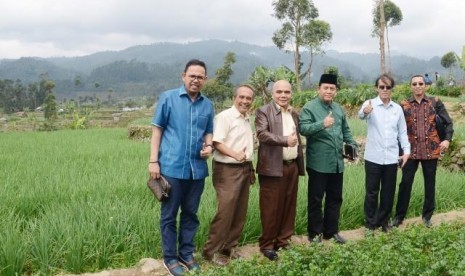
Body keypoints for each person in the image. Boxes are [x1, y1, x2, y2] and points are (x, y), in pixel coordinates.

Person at [148, 59, 214, 276]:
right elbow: (157, 131)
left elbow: (208, 132)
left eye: (200, 77)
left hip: (197, 170)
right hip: (171, 168)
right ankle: (169, 258)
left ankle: (186, 254)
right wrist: (153, 161)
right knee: (169, 215)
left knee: (191, 214)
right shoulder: (168, 98)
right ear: (183, 76)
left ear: (205, 79)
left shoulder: (208, 105)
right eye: (192, 75)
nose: (196, 80)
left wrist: (209, 146)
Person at [299, 73, 357, 244]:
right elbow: (303, 128)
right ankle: (315, 234)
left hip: (337, 163)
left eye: (332, 89)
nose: (329, 91)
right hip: (318, 163)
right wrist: (321, 124)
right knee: (316, 199)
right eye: (326, 88)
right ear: (319, 89)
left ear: (336, 91)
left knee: (335, 198)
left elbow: (345, 131)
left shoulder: (339, 109)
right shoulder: (309, 108)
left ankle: (331, 232)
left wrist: (352, 148)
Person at [391, 74, 454, 228]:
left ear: (425, 86)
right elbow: (396, 128)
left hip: (431, 150)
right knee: (405, 184)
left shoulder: (435, 102)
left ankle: (427, 217)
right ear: (410, 86)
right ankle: (399, 218)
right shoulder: (403, 104)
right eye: (415, 84)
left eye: (421, 83)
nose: (418, 86)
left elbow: (448, 122)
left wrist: (446, 139)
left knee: (429, 184)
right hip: (409, 152)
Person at [202, 85, 255, 266]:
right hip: (227, 169)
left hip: (244, 168)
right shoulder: (225, 117)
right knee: (225, 212)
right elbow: (217, 142)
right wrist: (235, 154)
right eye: (242, 97)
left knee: (239, 212)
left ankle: (229, 248)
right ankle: (211, 251)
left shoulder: (246, 118)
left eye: (249, 98)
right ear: (234, 97)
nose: (245, 101)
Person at [255, 80, 305, 261]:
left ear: (291, 94)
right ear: (272, 94)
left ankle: (283, 241)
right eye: (279, 92)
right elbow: (261, 134)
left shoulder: (294, 113)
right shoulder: (263, 111)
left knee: (289, 205)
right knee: (270, 207)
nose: (283, 95)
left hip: (291, 165)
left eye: (287, 92)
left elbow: (297, 138)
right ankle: (267, 244)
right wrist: (284, 140)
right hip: (272, 168)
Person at [358, 74, 410, 234]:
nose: (385, 90)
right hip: (373, 157)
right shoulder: (369, 104)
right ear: (377, 88)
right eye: (382, 87)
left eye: (388, 87)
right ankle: (370, 224)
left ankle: (384, 221)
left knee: (388, 192)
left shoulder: (397, 109)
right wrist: (365, 111)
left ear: (392, 89)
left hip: (391, 158)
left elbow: (402, 132)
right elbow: (361, 115)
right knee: (372, 192)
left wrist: (406, 152)